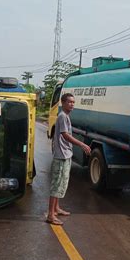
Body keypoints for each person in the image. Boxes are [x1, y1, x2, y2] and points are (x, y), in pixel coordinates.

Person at [46, 93, 91, 225]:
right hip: (61, 156)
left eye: (73, 102)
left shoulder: (65, 116)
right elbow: (65, 135)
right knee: (56, 185)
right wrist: (82, 144)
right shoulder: (62, 116)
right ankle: (50, 215)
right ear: (63, 103)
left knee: (62, 184)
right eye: (70, 102)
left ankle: (56, 208)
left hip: (66, 155)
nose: (72, 104)